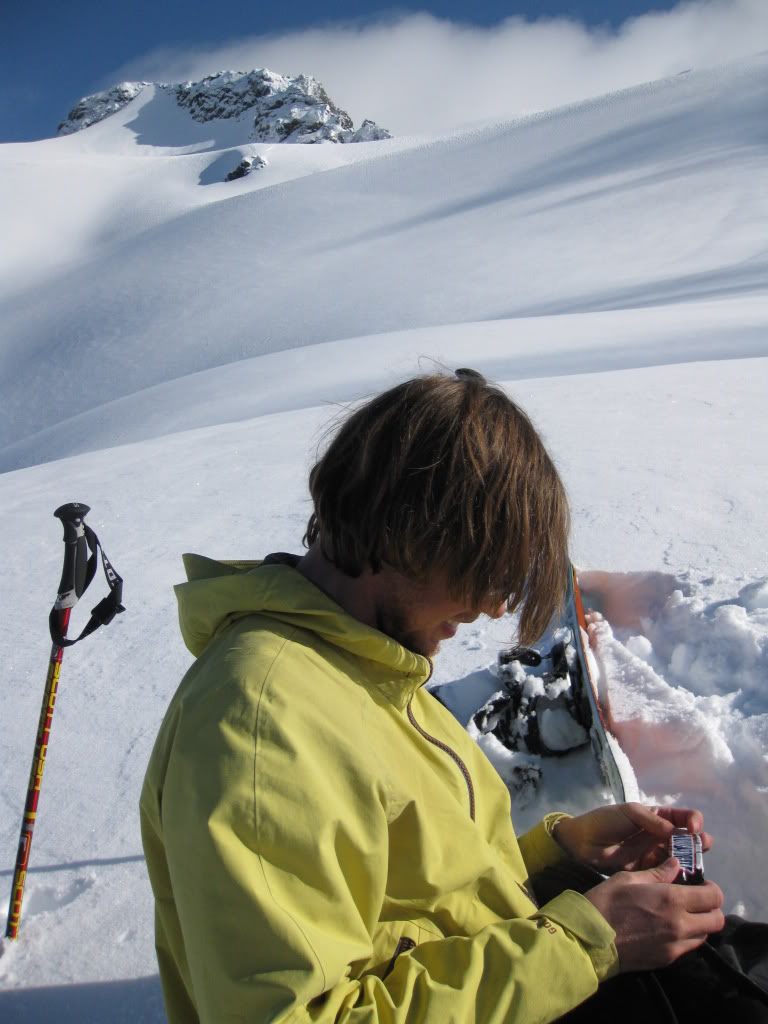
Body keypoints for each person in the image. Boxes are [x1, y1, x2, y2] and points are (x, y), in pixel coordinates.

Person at [140, 368, 731, 1024]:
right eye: (479, 573)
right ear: (405, 535)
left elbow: (418, 900)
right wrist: (590, 940)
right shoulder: (257, 725)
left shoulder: (376, 671)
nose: (484, 609)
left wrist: (559, 860)